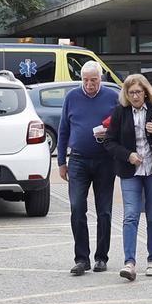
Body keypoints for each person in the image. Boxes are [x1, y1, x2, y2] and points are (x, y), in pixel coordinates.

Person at [101, 73, 152, 281]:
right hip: (130, 172)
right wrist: (128, 155)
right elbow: (109, 142)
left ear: (145, 92)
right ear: (126, 94)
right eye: (131, 92)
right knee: (130, 216)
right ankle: (129, 262)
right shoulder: (120, 112)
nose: (135, 96)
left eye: (138, 92)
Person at [56, 61, 117, 276]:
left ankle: (101, 257)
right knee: (77, 206)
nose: (90, 84)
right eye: (86, 80)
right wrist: (61, 161)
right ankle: (81, 259)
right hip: (79, 160)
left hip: (105, 160)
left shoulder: (112, 97)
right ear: (81, 79)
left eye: (94, 80)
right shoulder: (72, 97)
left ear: (101, 79)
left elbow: (120, 127)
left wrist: (108, 135)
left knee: (104, 210)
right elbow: (63, 129)